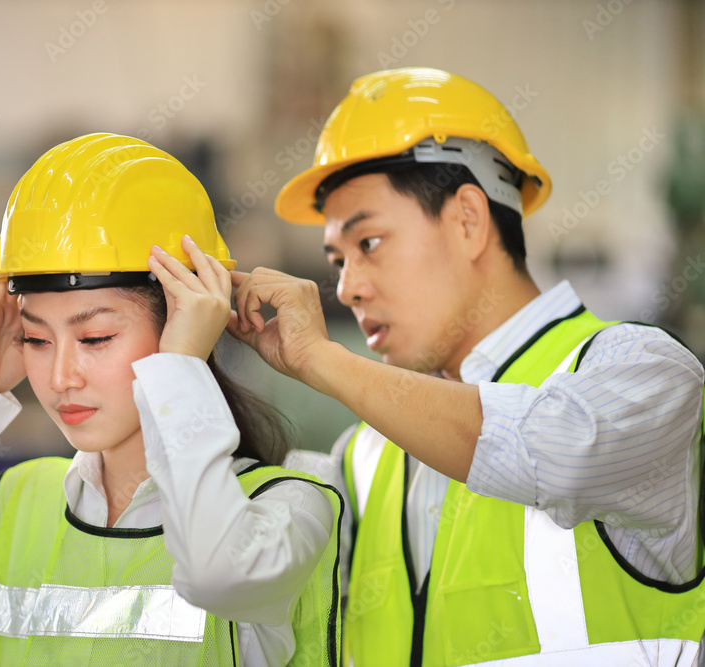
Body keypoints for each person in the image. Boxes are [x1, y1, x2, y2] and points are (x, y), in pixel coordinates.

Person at [0, 133, 343, 666]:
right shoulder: (9, 513)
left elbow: (218, 573)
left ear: (183, 320)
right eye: (35, 339)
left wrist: (180, 370)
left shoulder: (285, 507)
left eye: (95, 338)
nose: (59, 377)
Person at [229, 68, 705, 666]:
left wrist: (323, 360)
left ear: (469, 220)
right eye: (337, 259)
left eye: (368, 244)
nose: (347, 288)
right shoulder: (364, 458)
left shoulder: (640, 373)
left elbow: (549, 450)